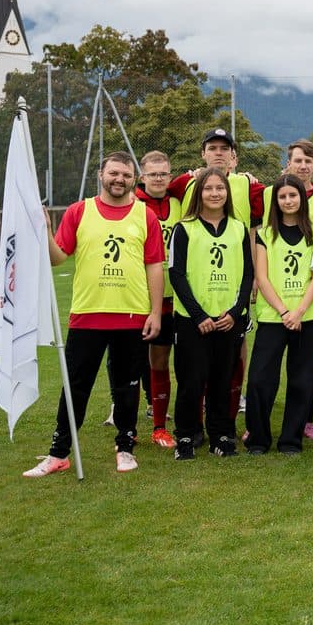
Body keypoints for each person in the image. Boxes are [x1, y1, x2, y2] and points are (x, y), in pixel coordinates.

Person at [23, 152, 164, 477]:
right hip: (87, 316)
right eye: (114, 173)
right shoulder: (79, 211)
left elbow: (154, 266)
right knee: (75, 387)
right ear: (101, 174)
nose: (119, 179)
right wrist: (45, 231)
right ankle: (58, 453)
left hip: (131, 317)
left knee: (127, 388)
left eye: (126, 175)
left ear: (135, 179)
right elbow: (58, 257)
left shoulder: (145, 216)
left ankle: (125, 447)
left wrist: (155, 312)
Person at [168, 167, 253, 459]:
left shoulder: (239, 228)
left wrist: (236, 311)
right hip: (194, 321)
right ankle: (187, 435)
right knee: (191, 380)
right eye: (208, 188)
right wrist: (198, 316)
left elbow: (248, 275)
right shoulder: (185, 228)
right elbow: (176, 275)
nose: (215, 193)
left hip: (228, 319)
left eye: (220, 188)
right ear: (198, 193)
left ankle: (221, 434)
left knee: (221, 379)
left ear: (227, 193)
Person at [245, 175, 313, 455]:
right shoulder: (265, 234)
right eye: (282, 196)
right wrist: (284, 311)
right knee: (260, 380)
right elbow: (262, 278)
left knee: (302, 380)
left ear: (302, 198)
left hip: (307, 316)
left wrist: (299, 311)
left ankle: (291, 440)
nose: (288, 201)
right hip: (273, 317)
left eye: (293, 195)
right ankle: (258, 440)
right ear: (275, 201)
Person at [134, 150, 183, 448]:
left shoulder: (179, 202)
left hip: (182, 298)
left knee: (189, 363)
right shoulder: (133, 207)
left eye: (163, 173)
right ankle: (157, 427)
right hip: (146, 299)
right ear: (142, 177)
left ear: (170, 175)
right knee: (154, 361)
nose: (158, 179)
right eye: (152, 174)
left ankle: (191, 419)